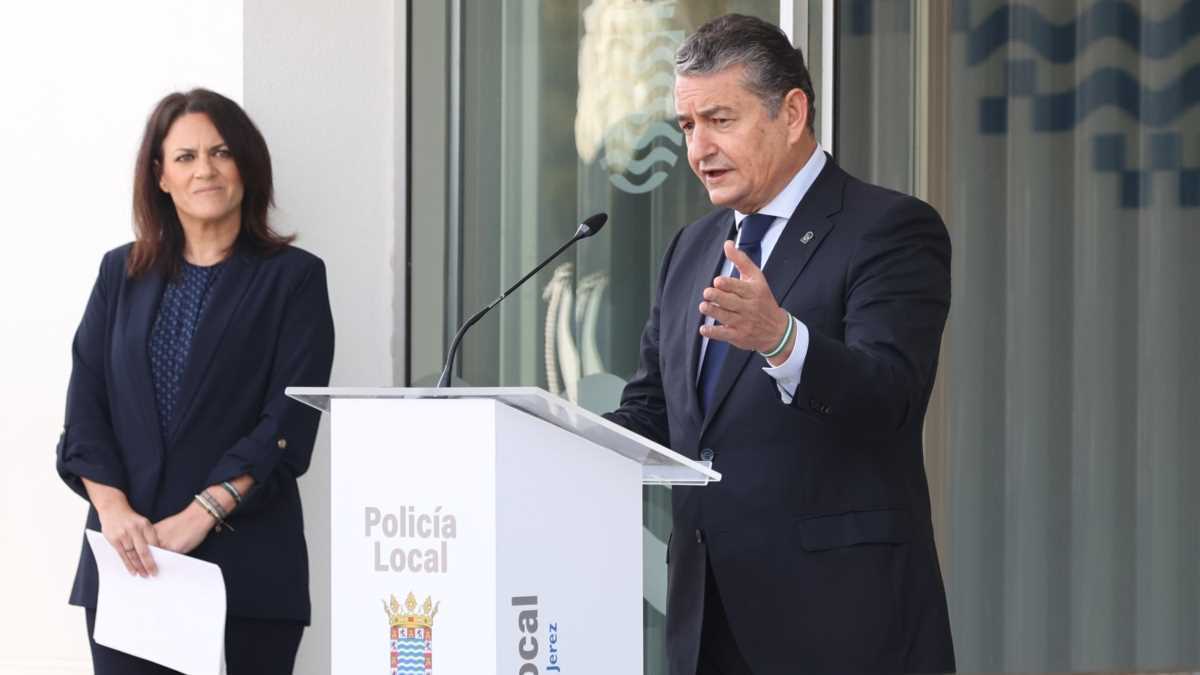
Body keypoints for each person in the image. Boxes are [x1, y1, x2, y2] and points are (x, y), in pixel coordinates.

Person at [604, 14, 955, 674]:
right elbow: (653, 412)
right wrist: (549, 439)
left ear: (792, 113)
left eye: (720, 120)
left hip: (840, 628)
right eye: (687, 126)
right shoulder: (691, 249)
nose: (698, 147)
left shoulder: (890, 229)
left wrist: (783, 339)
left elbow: (892, 395)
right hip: (705, 626)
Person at [56, 88, 335, 675]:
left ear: (246, 167)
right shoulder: (119, 273)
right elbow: (86, 409)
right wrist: (113, 511)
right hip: (129, 568)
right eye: (184, 157)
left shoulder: (296, 280)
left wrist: (198, 516)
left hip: (246, 572)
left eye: (221, 152)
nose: (204, 169)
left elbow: (288, 422)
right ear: (160, 176)